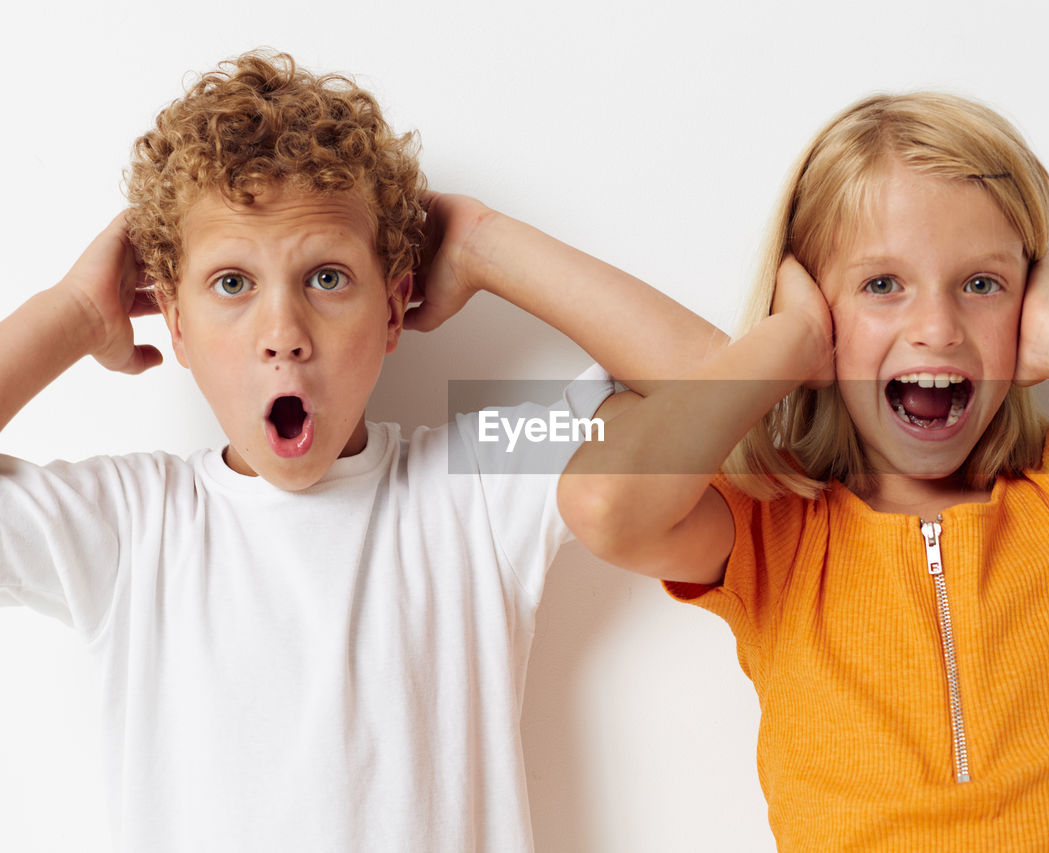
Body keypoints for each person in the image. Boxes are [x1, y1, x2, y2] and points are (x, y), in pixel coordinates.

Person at [0, 50, 722, 851]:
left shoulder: (475, 482)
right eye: (233, 283)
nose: (284, 336)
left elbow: (728, 390)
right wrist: (70, 312)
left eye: (328, 278)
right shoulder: (130, 528)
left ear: (393, 311)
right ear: (175, 325)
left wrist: (483, 244)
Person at [558, 92, 1049, 850]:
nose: (937, 328)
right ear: (816, 310)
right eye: (881, 285)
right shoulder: (771, 530)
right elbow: (607, 505)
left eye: (981, 284)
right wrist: (787, 343)